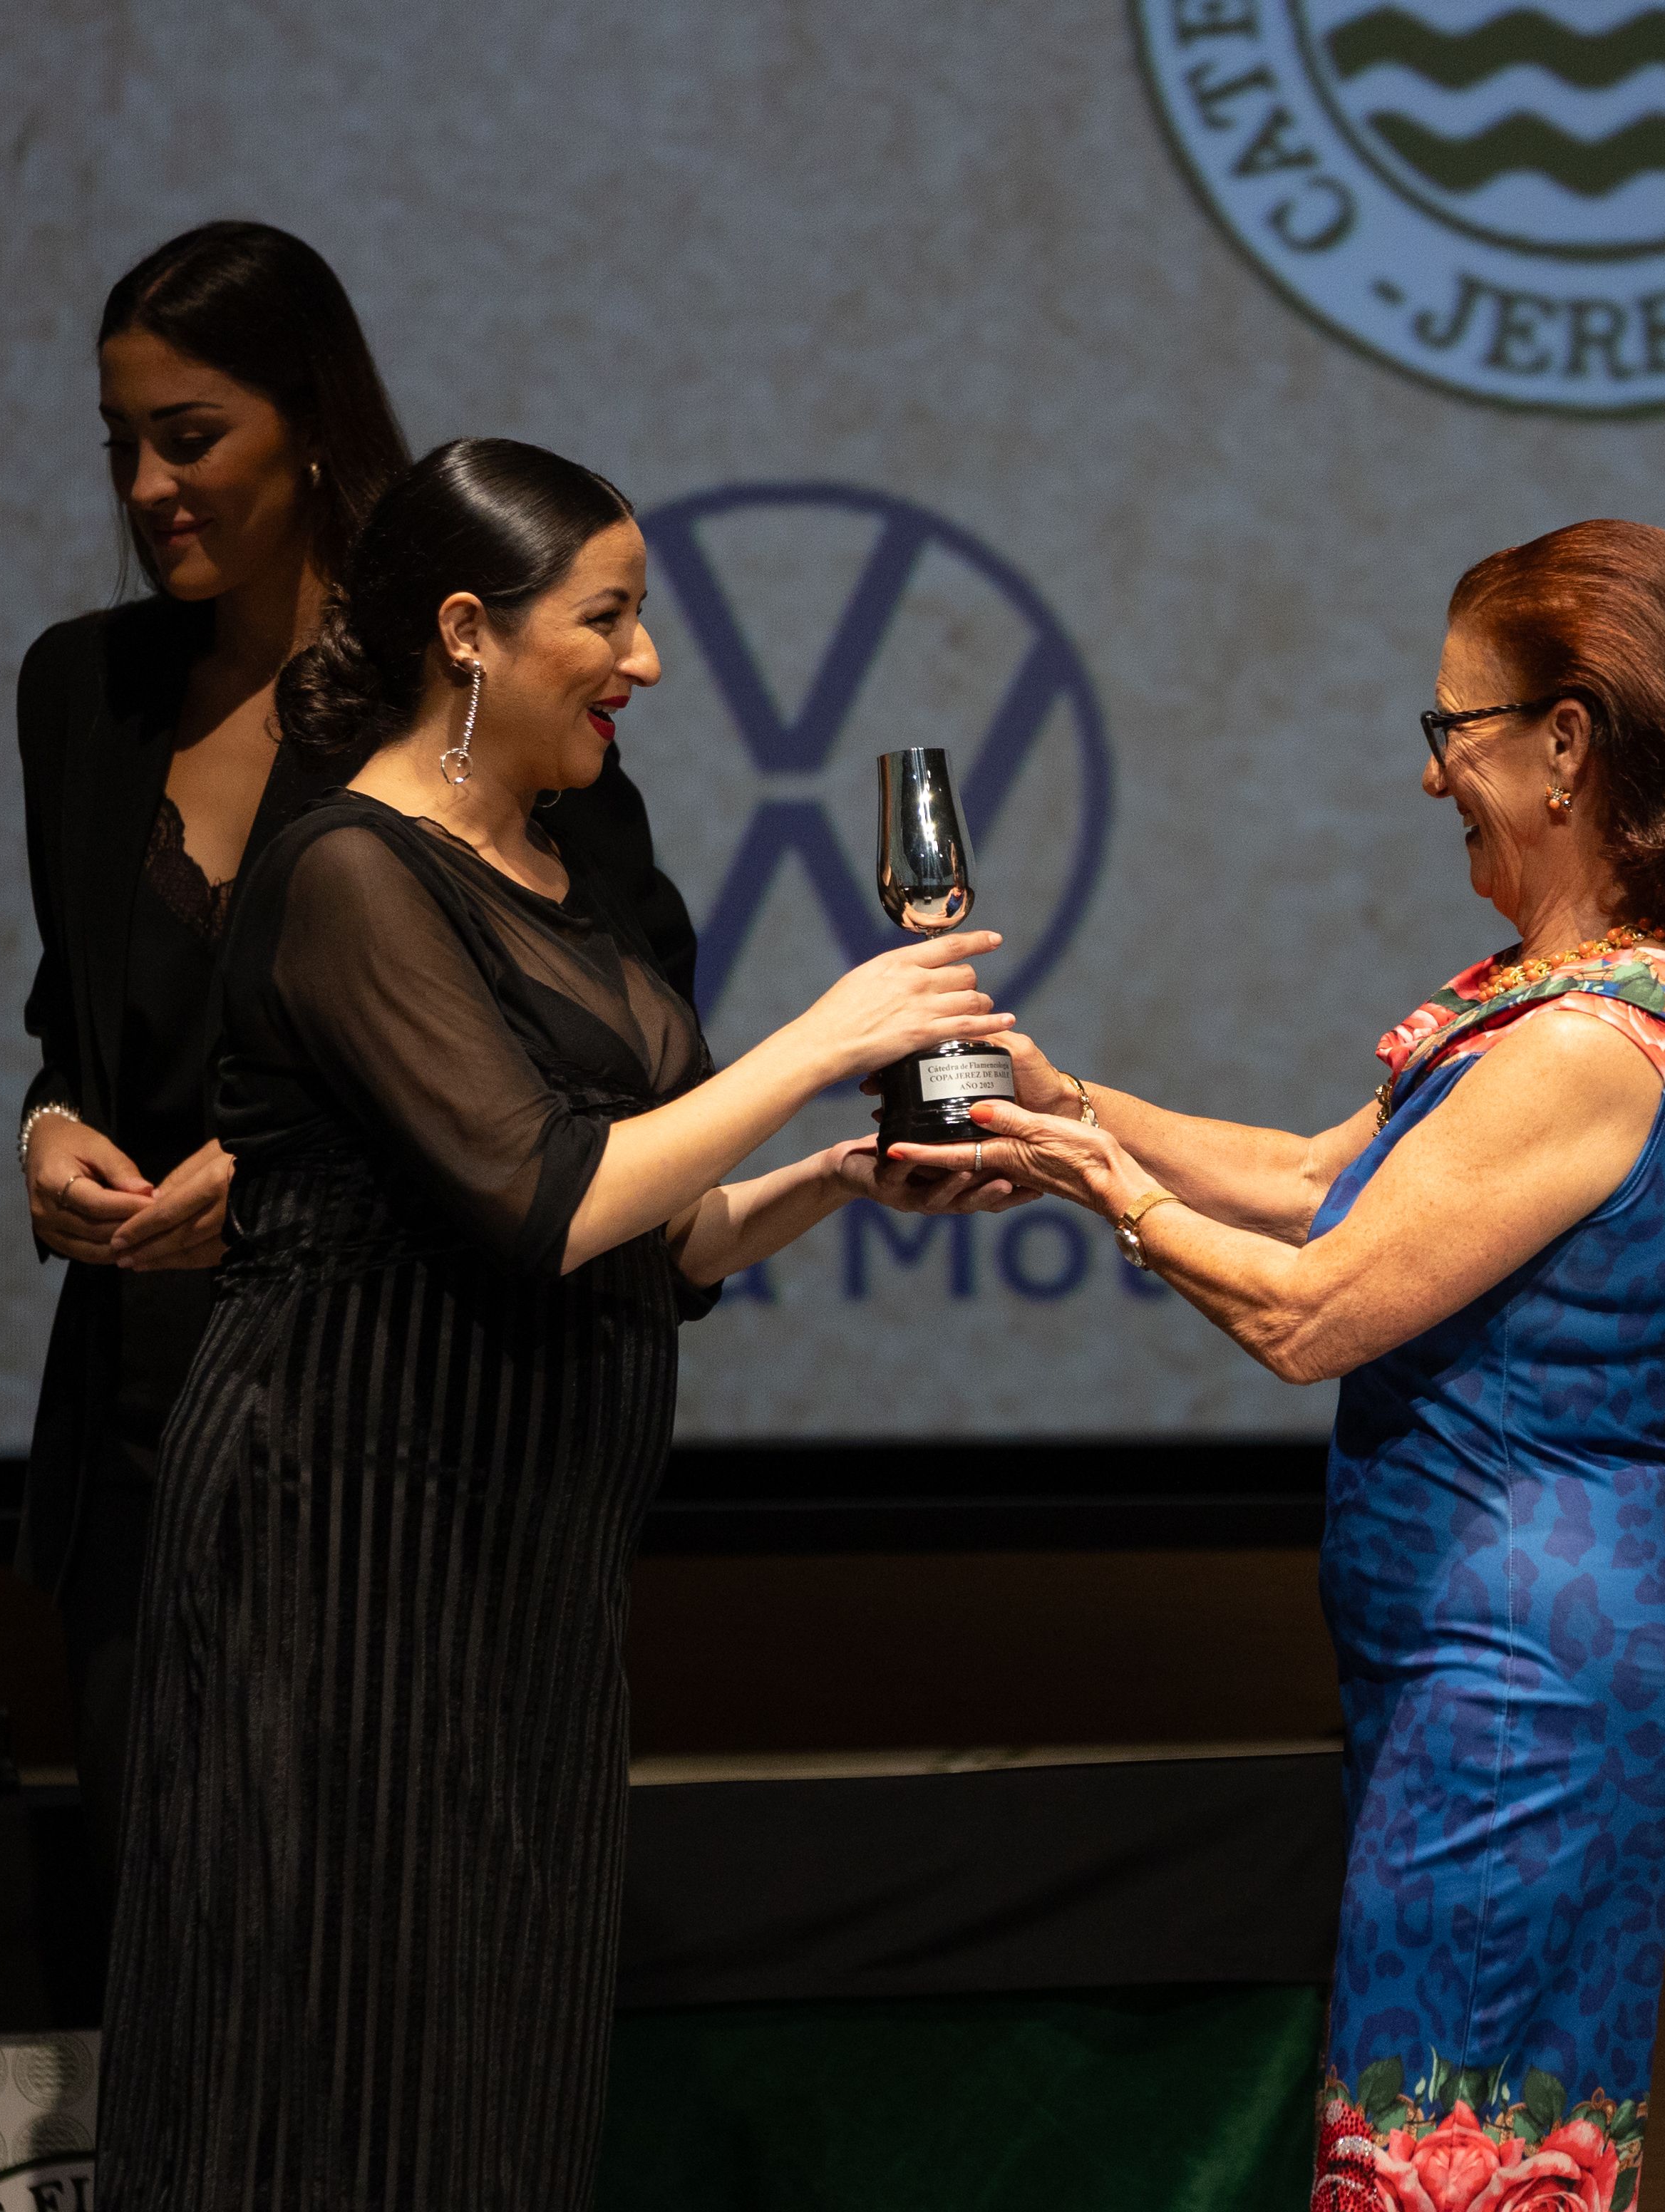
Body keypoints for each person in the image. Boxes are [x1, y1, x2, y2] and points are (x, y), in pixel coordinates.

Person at [92, 437, 1022, 2211]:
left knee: (491, 2076)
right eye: (608, 617)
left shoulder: (565, 871)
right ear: (468, 631)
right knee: (326, 2071)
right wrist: (824, 1036)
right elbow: (537, 1200)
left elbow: (660, 1238)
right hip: (345, 1551)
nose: (648, 660)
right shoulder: (347, 872)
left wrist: (837, 1172)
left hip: (518, 1571)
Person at [904, 521, 1665, 2210]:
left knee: (1439, 2180)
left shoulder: (1586, 1045)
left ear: (1567, 744)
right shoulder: (1553, 1001)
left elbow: (1309, 1308)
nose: (1435, 778)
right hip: (1493, 1678)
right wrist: (1065, 1100)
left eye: (1454, 731)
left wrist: (1091, 1186)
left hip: (1523, 1696)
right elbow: (1304, 1176)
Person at [11, 222, 698, 1883]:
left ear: (310, 424)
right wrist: (46, 1121)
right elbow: (82, 1008)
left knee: (386, 1981)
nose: (150, 485)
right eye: (124, 446)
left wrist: (301, 1150)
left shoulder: (461, 699)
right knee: (175, 1951)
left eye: (192, 437)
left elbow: (614, 1033)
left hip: (405, 1429)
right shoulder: (80, 694)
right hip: (158, 1414)